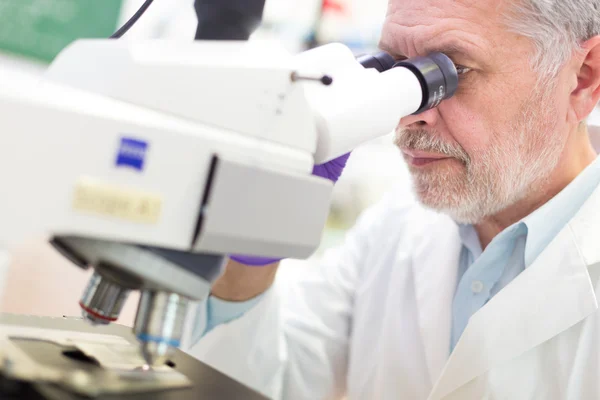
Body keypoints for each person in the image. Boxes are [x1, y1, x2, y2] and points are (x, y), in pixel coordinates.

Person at [184, 0, 600, 398]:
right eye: (396, 72)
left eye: (450, 72)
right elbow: (262, 384)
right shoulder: (394, 227)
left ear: (582, 77)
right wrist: (252, 252)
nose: (407, 114)